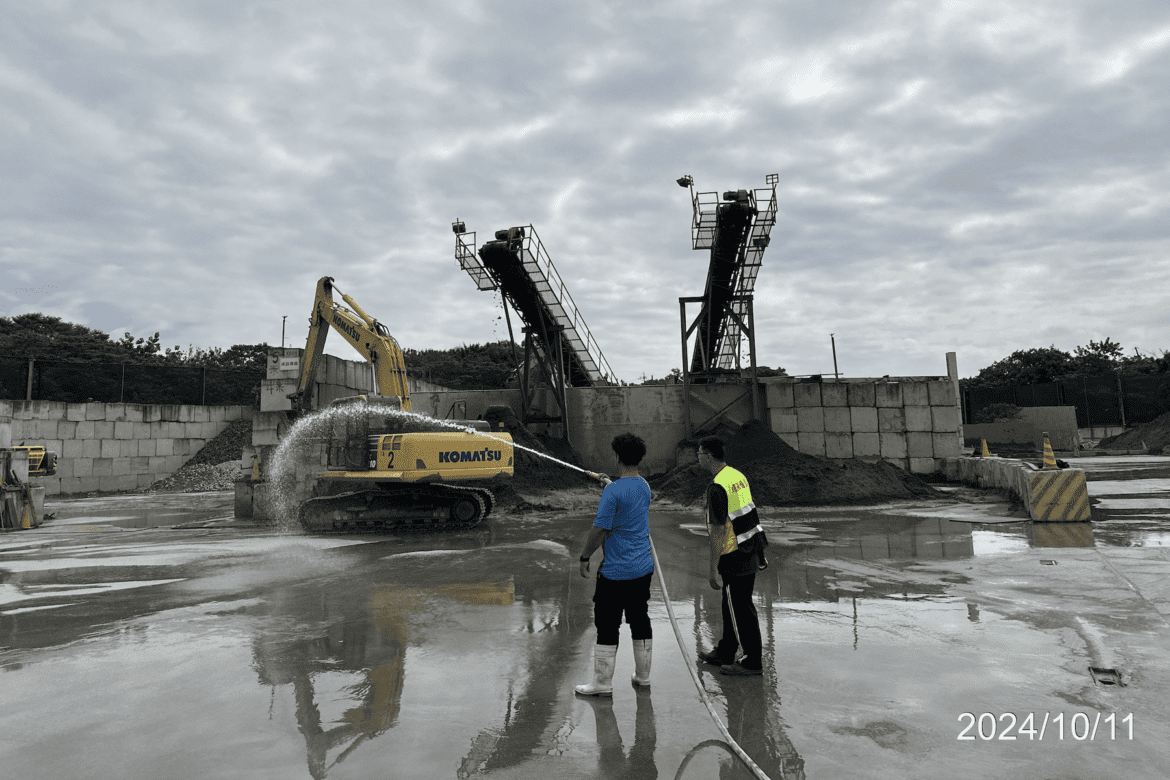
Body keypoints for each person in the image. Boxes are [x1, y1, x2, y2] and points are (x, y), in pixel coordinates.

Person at [575, 432, 654, 697]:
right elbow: (626, 497)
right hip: (643, 568)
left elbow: (600, 529)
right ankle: (643, 677)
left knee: (607, 624)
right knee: (639, 619)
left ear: (617, 456)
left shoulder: (613, 492)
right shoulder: (644, 486)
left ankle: (602, 683)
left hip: (616, 572)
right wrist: (610, 484)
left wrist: (585, 556)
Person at [695, 435, 768, 676]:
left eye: (699, 454)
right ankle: (726, 650)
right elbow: (750, 511)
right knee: (732, 605)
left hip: (734, 554)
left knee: (741, 609)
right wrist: (759, 552)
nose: (697, 458)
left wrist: (713, 568)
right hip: (750, 547)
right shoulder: (736, 475)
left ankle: (752, 661)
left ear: (708, 455)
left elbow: (717, 531)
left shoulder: (717, 487)